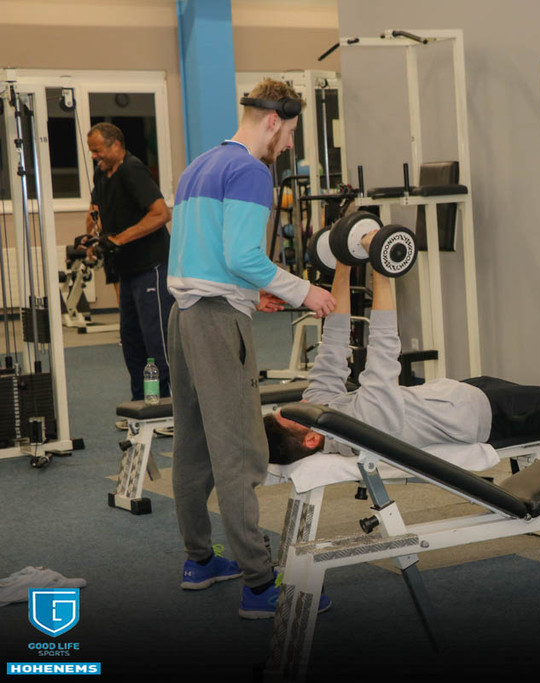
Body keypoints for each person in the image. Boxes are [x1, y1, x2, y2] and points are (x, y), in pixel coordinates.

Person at [263, 243, 540, 562]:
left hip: (463, 393)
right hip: (490, 415)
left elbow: (334, 339)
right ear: (312, 440)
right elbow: (384, 347)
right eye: (290, 416)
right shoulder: (365, 423)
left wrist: (344, 261)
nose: (297, 405)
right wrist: (381, 270)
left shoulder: (317, 409)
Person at [166, 78, 336, 619]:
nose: (288, 144)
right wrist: (304, 291)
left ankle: (200, 561)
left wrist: (248, 290)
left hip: (183, 315)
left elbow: (207, 251)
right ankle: (261, 586)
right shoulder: (250, 171)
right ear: (272, 119)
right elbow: (242, 255)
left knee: (193, 443)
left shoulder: (200, 165)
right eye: (290, 133)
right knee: (239, 451)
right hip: (216, 324)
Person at [87, 123, 174, 424]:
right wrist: (92, 238)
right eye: (91, 152)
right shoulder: (102, 173)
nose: (94, 156)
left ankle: (168, 409)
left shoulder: (133, 169)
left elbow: (161, 213)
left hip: (152, 267)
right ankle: (142, 407)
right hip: (127, 270)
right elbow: (97, 209)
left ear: (116, 145)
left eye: (98, 151)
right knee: (132, 342)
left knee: (158, 342)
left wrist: (119, 239)